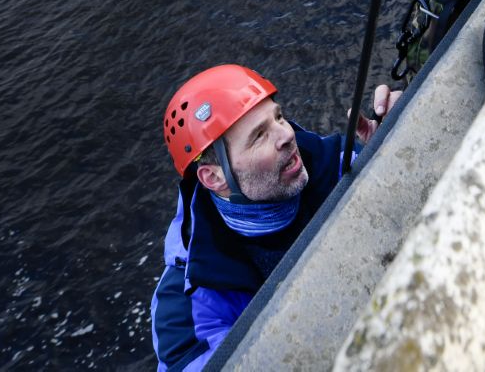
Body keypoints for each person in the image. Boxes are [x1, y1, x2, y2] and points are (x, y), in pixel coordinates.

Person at [150, 64, 398, 371]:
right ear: (213, 177)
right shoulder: (185, 304)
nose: (286, 134)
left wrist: (393, 147)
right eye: (258, 136)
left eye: (278, 117)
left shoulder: (329, 163)